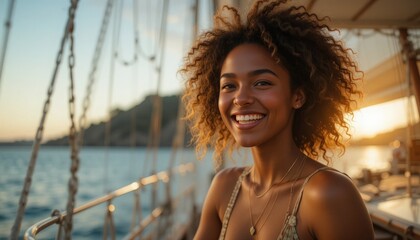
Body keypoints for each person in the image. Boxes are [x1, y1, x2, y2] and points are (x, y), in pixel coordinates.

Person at [181, 0, 374, 239]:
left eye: (262, 83)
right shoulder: (224, 187)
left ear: (298, 96)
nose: (240, 99)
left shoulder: (328, 193)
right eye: (229, 85)